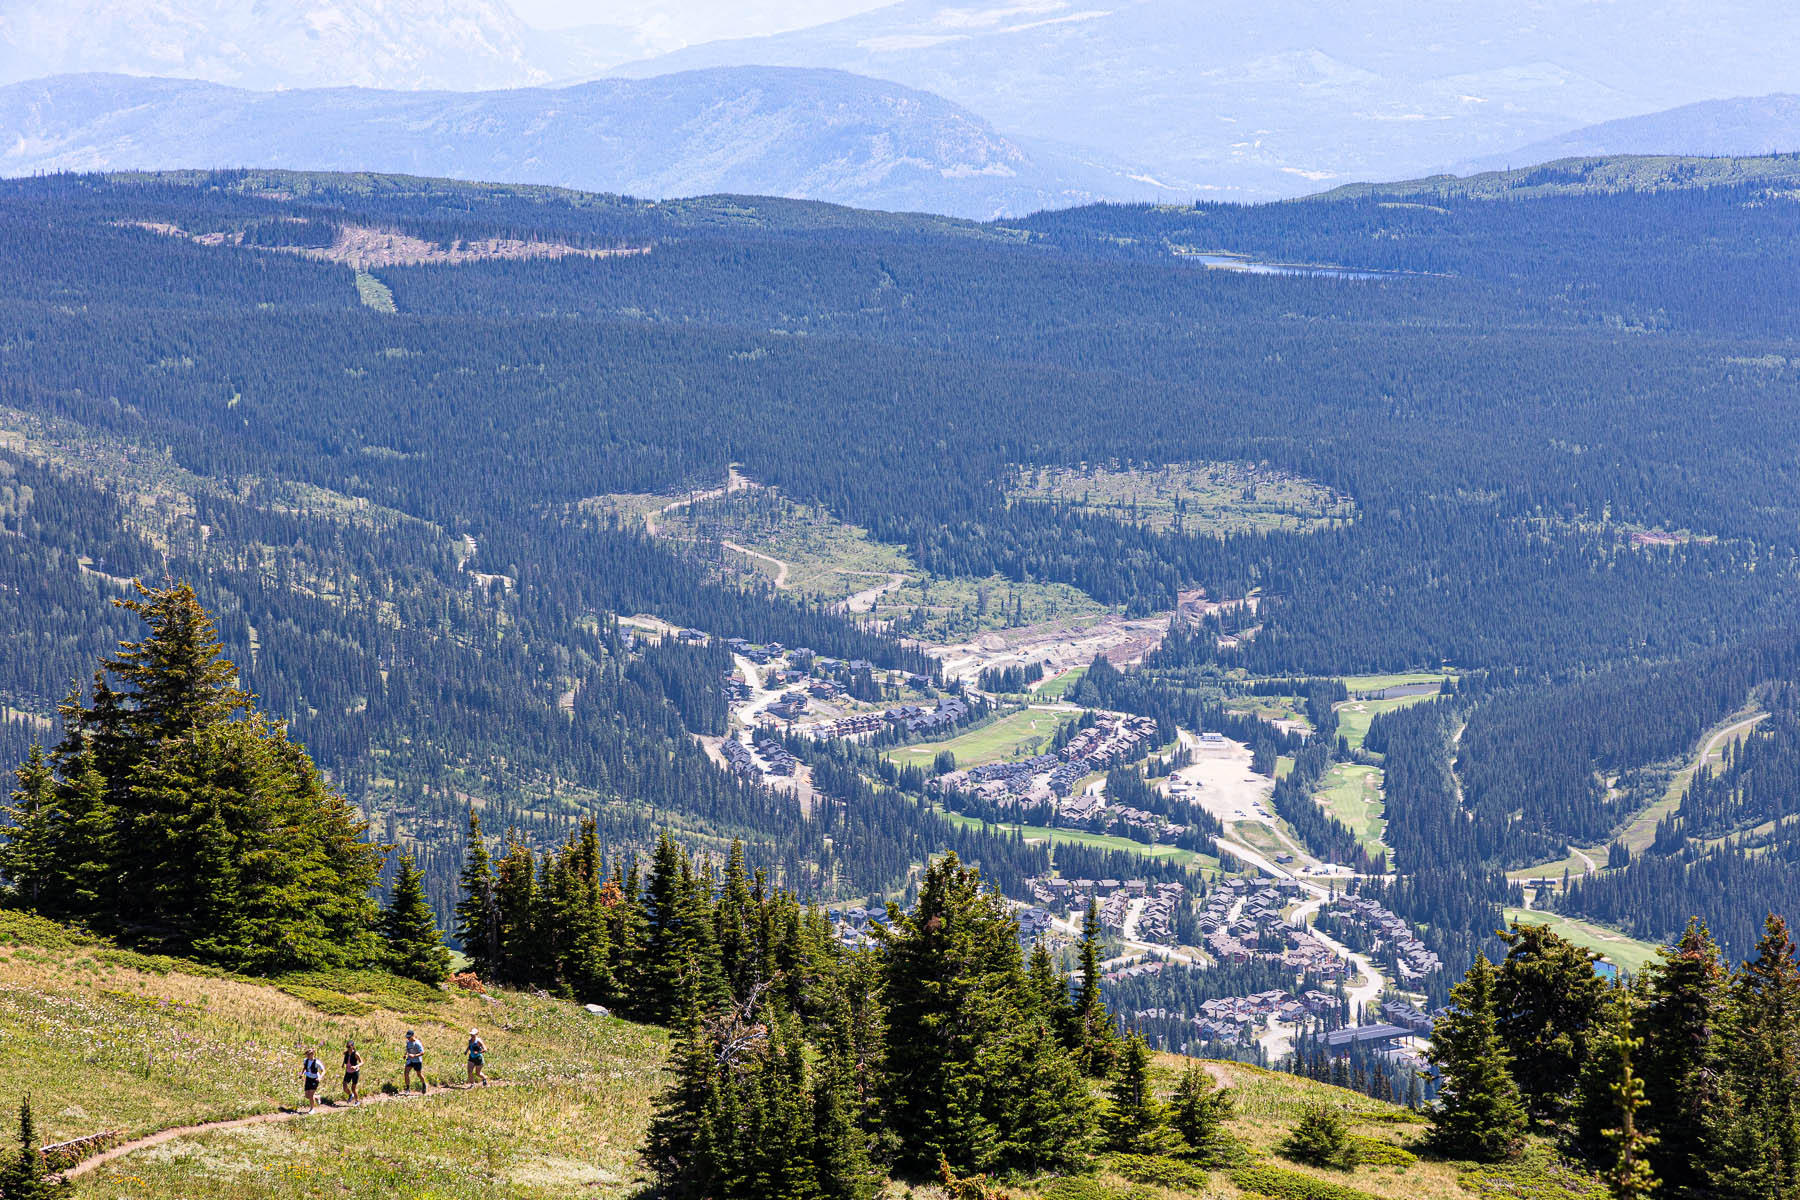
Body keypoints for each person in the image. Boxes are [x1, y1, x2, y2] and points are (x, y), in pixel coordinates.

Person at [300, 1047, 324, 1113]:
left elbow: (323, 1071)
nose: (307, 1056)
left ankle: (312, 1109)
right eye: (306, 1055)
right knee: (307, 1095)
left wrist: (320, 1077)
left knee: (310, 1095)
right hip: (308, 1078)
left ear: (312, 1054)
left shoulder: (317, 1062)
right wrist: (302, 1074)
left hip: (315, 1079)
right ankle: (317, 1097)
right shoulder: (306, 1060)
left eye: (308, 1054)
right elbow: (304, 1068)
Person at [403, 1029, 426, 1094]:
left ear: (413, 1036)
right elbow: (408, 1049)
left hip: (417, 1061)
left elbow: (422, 1052)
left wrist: (414, 1055)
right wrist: (405, 1055)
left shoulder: (417, 1043)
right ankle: (407, 1089)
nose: (408, 1038)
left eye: (409, 1037)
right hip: (410, 1060)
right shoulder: (408, 1042)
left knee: (418, 1074)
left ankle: (424, 1084)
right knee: (406, 1073)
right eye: (407, 1037)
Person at [341, 1040, 363, 1106]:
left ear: (353, 1046)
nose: (348, 1048)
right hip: (348, 1071)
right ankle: (350, 1095)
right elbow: (345, 1059)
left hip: (354, 1072)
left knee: (353, 1088)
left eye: (349, 1046)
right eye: (347, 1046)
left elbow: (362, 1062)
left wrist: (356, 1066)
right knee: (344, 1086)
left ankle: (357, 1101)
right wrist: (343, 1064)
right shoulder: (346, 1053)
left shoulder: (356, 1054)